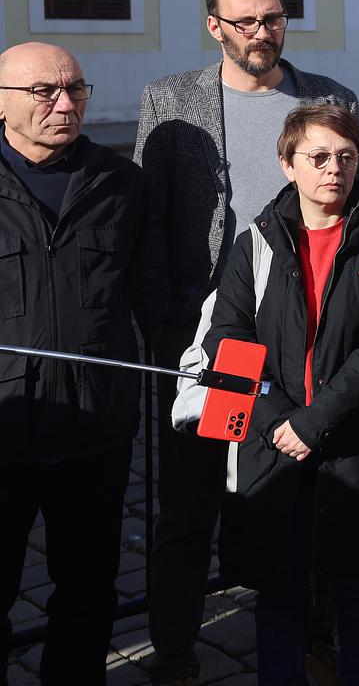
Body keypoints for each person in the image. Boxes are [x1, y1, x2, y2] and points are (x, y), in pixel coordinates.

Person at [134, 0, 357, 685]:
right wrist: (176, 334)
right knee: (194, 497)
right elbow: (151, 228)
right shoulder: (172, 104)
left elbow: (352, 216)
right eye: (245, 22)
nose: (262, 34)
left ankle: (311, 637)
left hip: (304, 346)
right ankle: (173, 649)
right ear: (215, 27)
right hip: (220, 351)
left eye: (273, 18)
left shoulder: (328, 98)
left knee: (304, 495)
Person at [202, 104, 359, 686]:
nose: (333, 170)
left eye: (346, 158)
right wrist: (277, 421)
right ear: (287, 164)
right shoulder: (256, 244)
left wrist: (314, 421)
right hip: (274, 444)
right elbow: (229, 337)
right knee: (280, 595)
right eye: (318, 157)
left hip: (358, 441)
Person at [0, 43, 159, 684]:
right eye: (44, 91)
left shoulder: (122, 183)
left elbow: (150, 293)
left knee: (88, 590)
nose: (64, 104)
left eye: (75, 89)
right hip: (4, 430)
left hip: (97, 427)